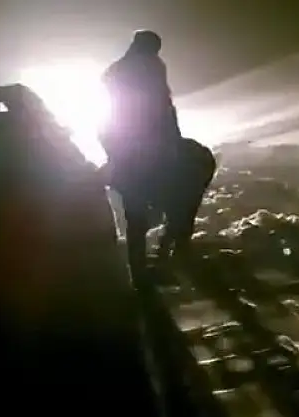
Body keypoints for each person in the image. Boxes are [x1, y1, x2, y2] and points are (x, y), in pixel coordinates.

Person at [99, 29, 183, 276]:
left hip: (122, 140)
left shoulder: (117, 69)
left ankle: (138, 269)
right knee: (165, 199)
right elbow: (164, 104)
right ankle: (150, 263)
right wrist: (172, 138)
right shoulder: (152, 66)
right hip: (142, 141)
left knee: (135, 214)